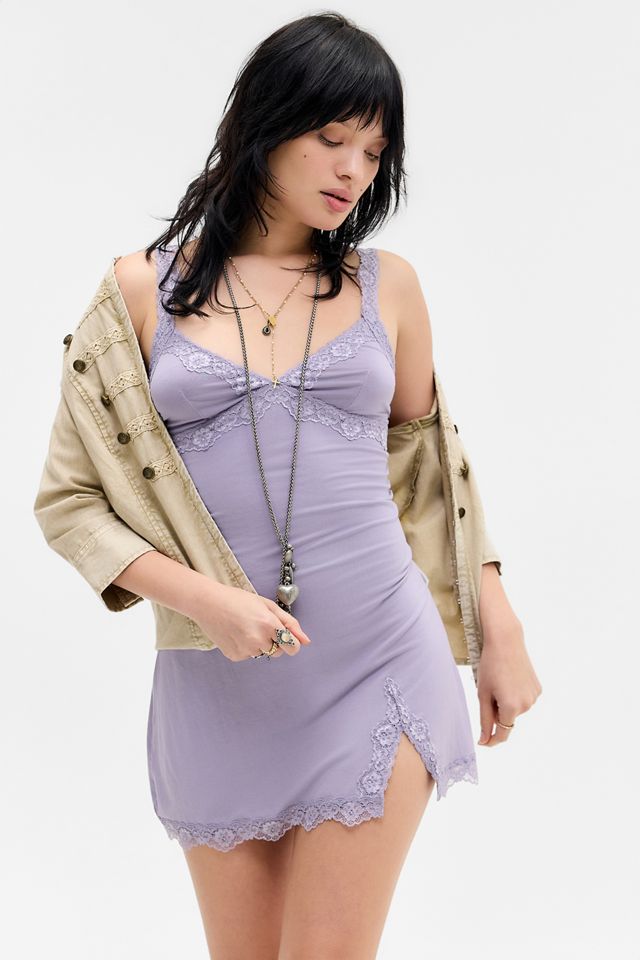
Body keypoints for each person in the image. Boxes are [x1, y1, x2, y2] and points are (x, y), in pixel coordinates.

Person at [38, 11, 542, 959]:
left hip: (379, 657)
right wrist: (207, 602)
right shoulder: (139, 292)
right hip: (217, 680)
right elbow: (69, 503)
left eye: (374, 152)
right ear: (266, 126)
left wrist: (496, 624)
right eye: (333, 139)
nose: (354, 171)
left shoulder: (388, 286)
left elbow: (433, 473)